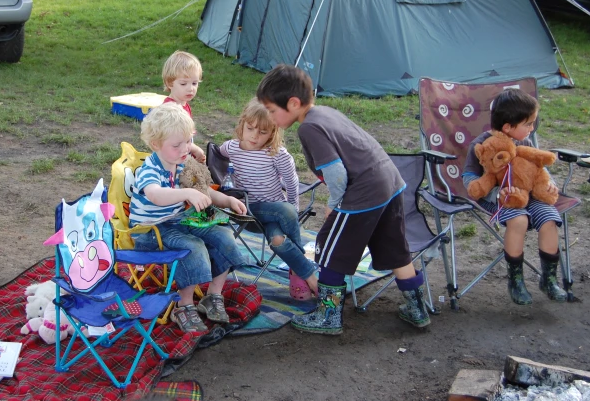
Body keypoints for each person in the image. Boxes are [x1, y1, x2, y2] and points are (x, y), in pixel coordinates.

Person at [256, 65, 430, 335]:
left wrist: (335, 205)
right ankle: (417, 308)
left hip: (363, 191)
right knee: (395, 248)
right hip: (390, 183)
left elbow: (336, 173)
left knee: (329, 247)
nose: (269, 116)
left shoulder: (309, 128)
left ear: (293, 103)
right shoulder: (326, 112)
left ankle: (328, 314)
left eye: (271, 110)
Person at [129, 103, 248, 333]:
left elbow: (203, 190)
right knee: (193, 247)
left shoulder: (182, 162)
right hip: (152, 231)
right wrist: (186, 193)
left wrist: (226, 200)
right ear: (156, 145)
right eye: (177, 145)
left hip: (179, 219)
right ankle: (183, 305)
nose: (185, 149)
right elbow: (155, 195)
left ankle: (212, 295)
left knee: (223, 234)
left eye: (188, 141)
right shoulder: (150, 170)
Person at [463, 88, 566, 305]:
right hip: (499, 199)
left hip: (530, 195)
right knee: (518, 219)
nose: (532, 129)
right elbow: (469, 177)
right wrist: (495, 194)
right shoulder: (482, 145)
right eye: (528, 124)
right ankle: (516, 280)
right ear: (508, 126)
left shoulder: (525, 143)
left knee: (549, 220)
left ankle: (548, 279)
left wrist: (550, 186)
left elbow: (541, 169)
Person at [219, 98, 319, 295]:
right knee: (285, 210)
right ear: (242, 124)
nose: (255, 136)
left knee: (279, 240)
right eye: (250, 128)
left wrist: (294, 209)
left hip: (275, 211)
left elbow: (291, 182)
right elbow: (214, 157)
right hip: (246, 210)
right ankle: (307, 274)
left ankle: (299, 269)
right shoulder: (231, 148)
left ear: (273, 132)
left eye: (263, 131)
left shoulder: (277, 154)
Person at [161, 50, 206, 163]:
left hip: (183, 154)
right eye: (183, 83)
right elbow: (175, 141)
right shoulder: (170, 110)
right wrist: (195, 150)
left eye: (194, 83)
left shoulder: (183, 104)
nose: (190, 88)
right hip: (171, 160)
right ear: (170, 83)